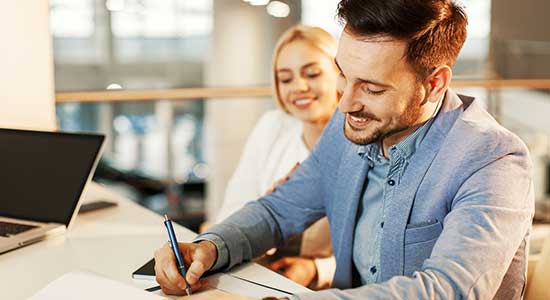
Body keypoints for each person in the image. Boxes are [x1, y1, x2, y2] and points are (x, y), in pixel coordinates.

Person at [154, 0, 534, 299]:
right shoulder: (351, 126)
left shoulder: (493, 160)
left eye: (372, 88)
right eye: (342, 75)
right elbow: (278, 210)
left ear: (433, 84)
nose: (344, 103)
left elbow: (448, 291)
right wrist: (211, 247)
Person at [213, 25, 339, 288]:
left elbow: (374, 249)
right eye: (285, 79)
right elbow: (230, 212)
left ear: (340, 73)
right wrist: (267, 208)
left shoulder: (361, 139)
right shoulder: (272, 126)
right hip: (259, 273)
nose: (299, 87)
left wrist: (317, 269)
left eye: (312, 74)